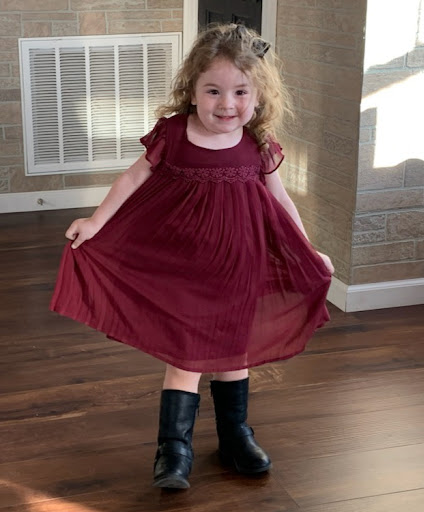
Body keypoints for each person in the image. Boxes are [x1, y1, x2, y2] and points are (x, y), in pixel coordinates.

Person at [51, 23, 334, 490]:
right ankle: (173, 448)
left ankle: (235, 436)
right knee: (186, 358)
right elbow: (134, 178)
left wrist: (306, 250)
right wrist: (96, 223)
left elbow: (281, 201)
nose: (227, 104)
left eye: (240, 92)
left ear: (259, 95)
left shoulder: (258, 144)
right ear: (193, 89)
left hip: (241, 266)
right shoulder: (174, 134)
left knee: (234, 354)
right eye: (213, 91)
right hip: (185, 267)